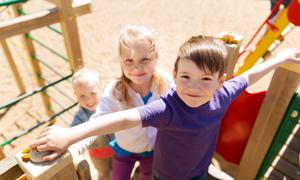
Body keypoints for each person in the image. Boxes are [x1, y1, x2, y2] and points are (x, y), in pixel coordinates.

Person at [31, 36, 300, 180]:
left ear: (220, 82)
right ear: (174, 73)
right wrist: (71, 135)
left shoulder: (224, 95)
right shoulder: (168, 108)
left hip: (199, 170)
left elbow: (249, 76)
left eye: (205, 79)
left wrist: (279, 59)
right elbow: (122, 119)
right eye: (185, 77)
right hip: (166, 175)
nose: (194, 87)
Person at [72, 24, 173, 180]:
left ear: (156, 58)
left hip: (153, 149)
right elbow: (98, 120)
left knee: (147, 176)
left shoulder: (165, 82)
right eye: (129, 60)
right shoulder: (115, 91)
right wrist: (77, 143)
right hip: (125, 149)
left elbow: (180, 106)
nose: (137, 67)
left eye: (145, 59)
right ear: (120, 61)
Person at [70, 68, 113, 180]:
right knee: (103, 174)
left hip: (116, 148)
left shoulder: (108, 106)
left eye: (93, 93)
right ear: (76, 95)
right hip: (97, 154)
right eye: (82, 96)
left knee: (116, 171)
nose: (89, 100)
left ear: (101, 90)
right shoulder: (80, 116)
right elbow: (72, 133)